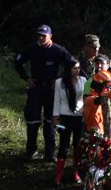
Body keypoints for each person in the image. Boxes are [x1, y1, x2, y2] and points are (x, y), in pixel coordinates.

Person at [14, 24, 73, 161]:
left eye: (44, 36)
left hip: (51, 90)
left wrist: (59, 80)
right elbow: (18, 63)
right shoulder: (32, 49)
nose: (41, 38)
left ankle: (49, 154)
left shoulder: (58, 50)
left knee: (50, 122)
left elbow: (71, 64)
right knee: (32, 120)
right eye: (39, 35)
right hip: (35, 88)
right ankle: (31, 151)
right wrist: (26, 78)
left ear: (50, 36)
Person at [52, 58, 86, 185]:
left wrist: (84, 112)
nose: (77, 70)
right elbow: (56, 100)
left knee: (77, 146)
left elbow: (85, 98)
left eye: (78, 68)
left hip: (79, 117)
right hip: (64, 117)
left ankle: (76, 173)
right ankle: (59, 174)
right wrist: (55, 117)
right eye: (74, 68)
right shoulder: (59, 82)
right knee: (63, 145)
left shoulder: (83, 81)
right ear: (68, 69)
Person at [84, 54, 111, 130]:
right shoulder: (90, 81)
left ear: (108, 65)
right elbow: (87, 100)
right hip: (98, 119)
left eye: (102, 63)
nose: (99, 66)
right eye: (97, 63)